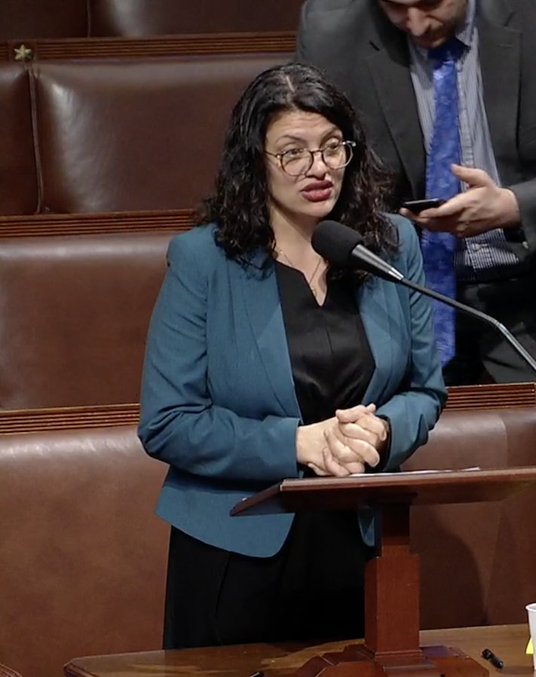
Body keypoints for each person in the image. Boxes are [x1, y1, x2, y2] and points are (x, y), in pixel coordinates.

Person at [137, 62, 446, 649]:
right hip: (239, 549)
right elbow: (168, 422)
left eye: (333, 148)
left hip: (361, 538)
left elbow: (426, 390)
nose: (318, 168)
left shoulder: (389, 243)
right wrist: (297, 443)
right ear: (256, 160)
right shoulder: (205, 259)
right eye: (293, 153)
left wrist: (381, 432)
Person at [297, 0, 536, 385]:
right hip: (411, 291)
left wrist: (515, 206)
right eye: (395, 7)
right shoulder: (331, 30)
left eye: (429, 3)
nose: (416, 24)